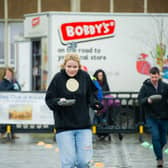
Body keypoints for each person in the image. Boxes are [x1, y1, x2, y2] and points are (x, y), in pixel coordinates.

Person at [45, 53, 102, 168]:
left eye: (75, 67)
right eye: (69, 66)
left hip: (83, 126)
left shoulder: (85, 77)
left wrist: (95, 103)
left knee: (84, 162)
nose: (72, 69)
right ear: (64, 66)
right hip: (64, 127)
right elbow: (49, 99)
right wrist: (58, 101)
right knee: (69, 163)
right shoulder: (58, 78)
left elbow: (92, 94)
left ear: (79, 66)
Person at [138, 66, 168, 168]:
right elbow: (139, 100)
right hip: (151, 117)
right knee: (155, 136)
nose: (154, 79)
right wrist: (147, 100)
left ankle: (158, 150)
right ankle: (159, 159)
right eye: (152, 77)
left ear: (159, 76)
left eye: (156, 77)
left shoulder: (165, 86)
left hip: (164, 117)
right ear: (149, 76)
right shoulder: (145, 87)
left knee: (163, 140)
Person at [0, 67, 21, 139]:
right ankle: (2, 133)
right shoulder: (2, 82)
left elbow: (19, 89)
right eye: (8, 73)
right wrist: (11, 86)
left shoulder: (14, 81)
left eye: (10, 73)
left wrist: (14, 85)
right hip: (4, 104)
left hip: (13, 104)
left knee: (13, 118)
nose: (9, 74)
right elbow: (4, 90)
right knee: (5, 119)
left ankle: (13, 133)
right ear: (5, 73)